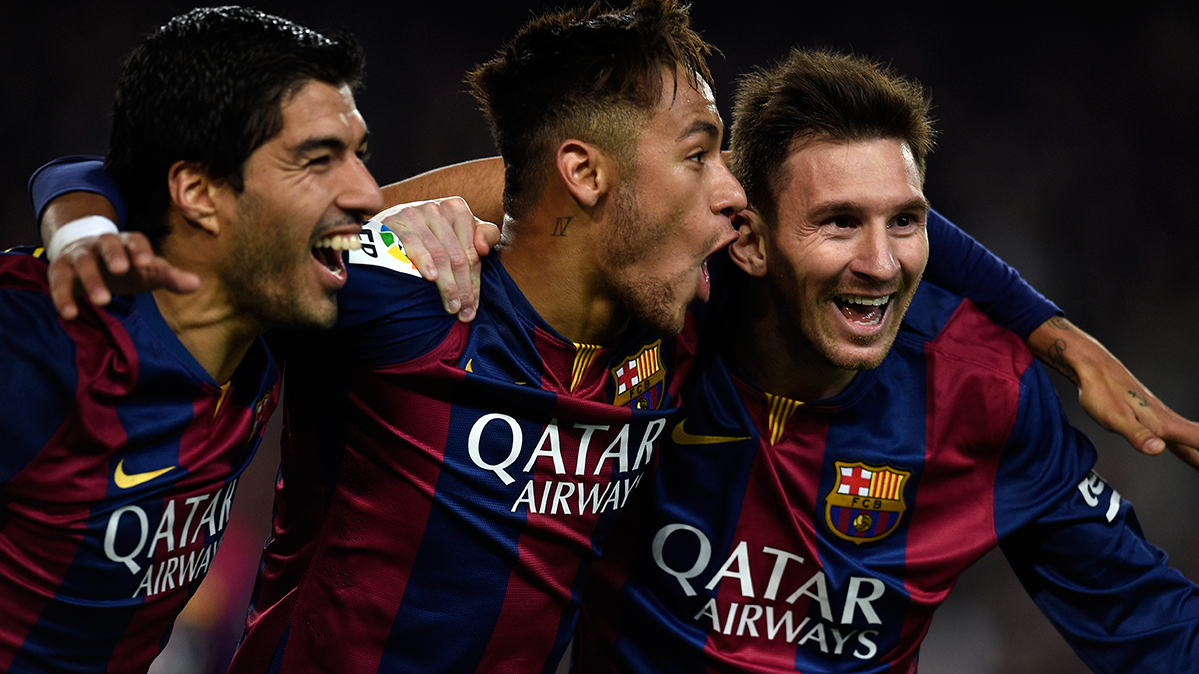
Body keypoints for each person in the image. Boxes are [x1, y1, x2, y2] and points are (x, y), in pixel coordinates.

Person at [29, 2, 1199, 672]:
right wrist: (79, 211)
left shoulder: (689, 320)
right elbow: (197, 209)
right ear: (587, 176)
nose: (727, 196)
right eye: (697, 157)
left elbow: (849, 209)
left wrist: (1046, 326)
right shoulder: (411, 294)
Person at [569, 48, 1199, 673]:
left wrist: (1050, 329)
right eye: (840, 223)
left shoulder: (984, 392)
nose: (881, 265)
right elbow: (573, 194)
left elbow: (1148, 621)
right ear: (751, 241)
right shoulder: (653, 325)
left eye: (904, 221)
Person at [0, 7, 382, 673]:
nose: (369, 194)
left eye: (358, 156)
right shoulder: (43, 335)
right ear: (199, 193)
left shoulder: (270, 316)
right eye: (318, 159)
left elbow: (523, 192)